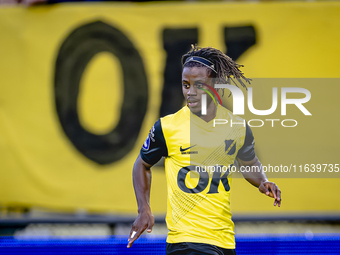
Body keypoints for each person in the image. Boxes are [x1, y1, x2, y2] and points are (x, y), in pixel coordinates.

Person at [127, 45, 281, 255]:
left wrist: (263, 181)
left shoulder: (237, 127)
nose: (190, 92)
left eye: (198, 85)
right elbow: (142, 164)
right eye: (185, 85)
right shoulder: (167, 127)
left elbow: (249, 162)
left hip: (224, 241)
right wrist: (143, 209)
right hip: (185, 241)